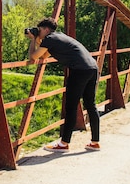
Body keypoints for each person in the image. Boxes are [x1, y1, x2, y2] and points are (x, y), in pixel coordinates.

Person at [27, 17, 101, 152]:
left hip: (79, 70)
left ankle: (64, 144)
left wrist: (33, 39)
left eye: (40, 30)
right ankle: (95, 142)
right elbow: (44, 56)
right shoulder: (58, 37)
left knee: (71, 107)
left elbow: (34, 56)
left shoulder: (50, 39)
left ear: (46, 29)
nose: (39, 32)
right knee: (90, 105)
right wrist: (38, 39)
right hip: (92, 68)